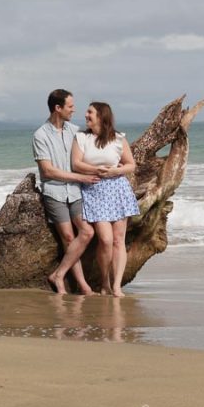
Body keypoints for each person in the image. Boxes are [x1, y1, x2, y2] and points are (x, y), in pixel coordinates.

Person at [33, 89, 100, 295]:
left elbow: (93, 149)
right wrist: (80, 177)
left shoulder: (75, 131)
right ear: (58, 108)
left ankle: (59, 274)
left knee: (87, 232)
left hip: (76, 192)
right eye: (70, 106)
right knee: (69, 238)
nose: (74, 109)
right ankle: (82, 285)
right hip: (54, 193)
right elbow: (48, 171)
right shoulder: (40, 135)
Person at [71, 102, 139, 297]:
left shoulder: (118, 138)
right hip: (94, 191)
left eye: (90, 112)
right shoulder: (82, 137)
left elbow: (130, 165)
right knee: (106, 240)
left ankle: (116, 286)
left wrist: (116, 170)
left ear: (101, 116)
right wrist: (97, 170)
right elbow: (76, 164)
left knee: (119, 239)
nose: (86, 115)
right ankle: (105, 282)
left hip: (118, 190)